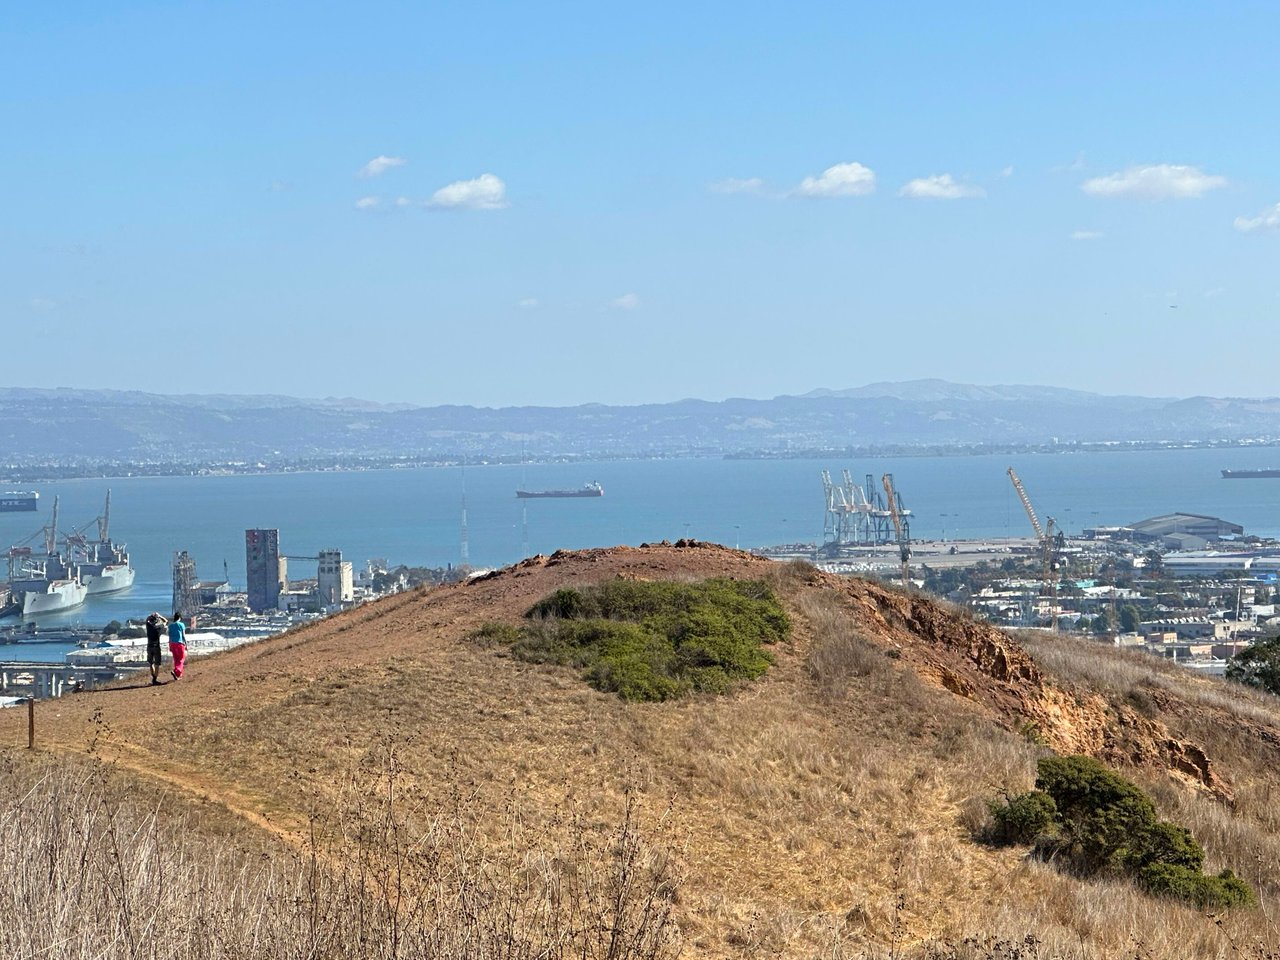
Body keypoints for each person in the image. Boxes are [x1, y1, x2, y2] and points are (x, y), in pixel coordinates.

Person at [144, 612, 168, 685]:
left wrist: (151, 616)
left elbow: (147, 620)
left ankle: (153, 678)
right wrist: (160, 616)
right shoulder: (159, 628)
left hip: (149, 646)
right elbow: (166, 621)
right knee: (157, 664)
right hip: (156, 646)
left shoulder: (149, 627)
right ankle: (155, 679)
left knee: (151, 663)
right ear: (156, 621)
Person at [168, 612, 188, 680]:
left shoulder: (170, 626)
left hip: (173, 644)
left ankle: (178, 675)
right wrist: (186, 644)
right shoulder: (181, 624)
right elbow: (183, 636)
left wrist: (170, 645)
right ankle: (176, 671)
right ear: (179, 618)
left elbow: (170, 637)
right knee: (181, 659)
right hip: (180, 643)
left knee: (176, 659)